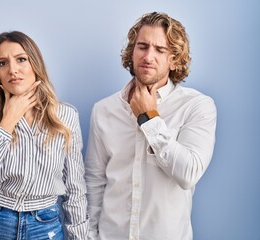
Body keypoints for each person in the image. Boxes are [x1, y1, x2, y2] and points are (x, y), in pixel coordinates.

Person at [85, 12, 217, 240]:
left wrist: (149, 118)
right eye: (142, 47)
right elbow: (94, 182)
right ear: (131, 52)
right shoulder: (103, 110)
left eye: (160, 50)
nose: (148, 56)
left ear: (174, 59)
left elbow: (188, 173)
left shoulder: (197, 106)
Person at [0, 31, 89, 240]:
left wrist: (80, 236)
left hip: (45, 224)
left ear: (35, 64)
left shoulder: (65, 116)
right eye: (2, 63)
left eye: (21, 59)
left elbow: (74, 187)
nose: (12, 70)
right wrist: (7, 122)